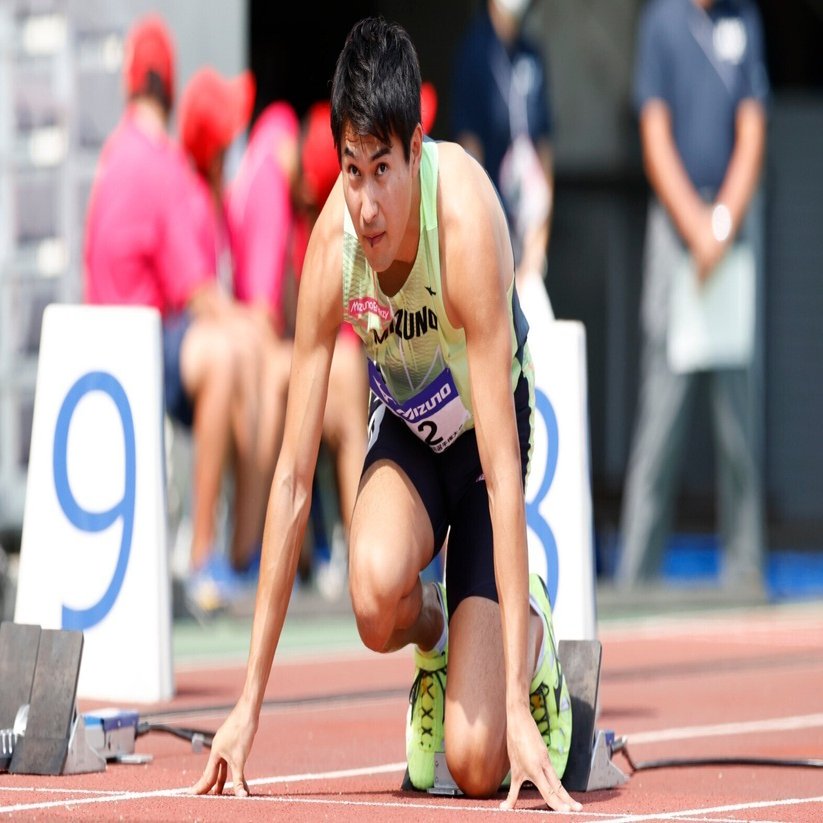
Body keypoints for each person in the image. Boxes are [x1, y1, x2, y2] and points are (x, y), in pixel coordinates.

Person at [192, 18, 581, 813]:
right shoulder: (332, 245)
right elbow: (294, 480)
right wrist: (246, 706)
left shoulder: (466, 225)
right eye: (349, 170)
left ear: (414, 151)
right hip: (407, 430)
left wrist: (511, 704)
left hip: (480, 453)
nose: (365, 202)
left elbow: (507, 481)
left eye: (381, 169)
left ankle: (528, 637)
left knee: (475, 765)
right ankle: (437, 642)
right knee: (372, 600)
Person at [84, 15, 265, 613]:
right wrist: (250, 326)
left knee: (233, 349)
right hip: (136, 348)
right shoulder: (160, 163)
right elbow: (197, 294)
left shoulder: (115, 153)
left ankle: (235, 552)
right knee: (225, 354)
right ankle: (207, 557)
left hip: (109, 347)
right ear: (168, 82)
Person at [617, 0, 768, 593]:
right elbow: (655, 137)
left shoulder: (745, 20)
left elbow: (752, 129)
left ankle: (747, 570)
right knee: (662, 412)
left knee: (740, 416)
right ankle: (635, 578)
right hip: (675, 232)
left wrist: (723, 223)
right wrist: (696, 226)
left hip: (733, 232)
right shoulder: (661, 23)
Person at [178, 67, 293, 575]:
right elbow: (199, 295)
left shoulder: (218, 197)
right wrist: (251, 323)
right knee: (251, 355)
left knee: (263, 363)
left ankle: (250, 547)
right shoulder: (189, 195)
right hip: (178, 348)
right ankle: (227, 550)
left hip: (211, 338)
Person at [451, 0, 554, 287]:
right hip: (491, 228)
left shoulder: (530, 54)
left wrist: (538, 245)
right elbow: (469, 150)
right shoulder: (474, 53)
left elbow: (543, 146)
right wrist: (486, 237)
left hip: (529, 231)